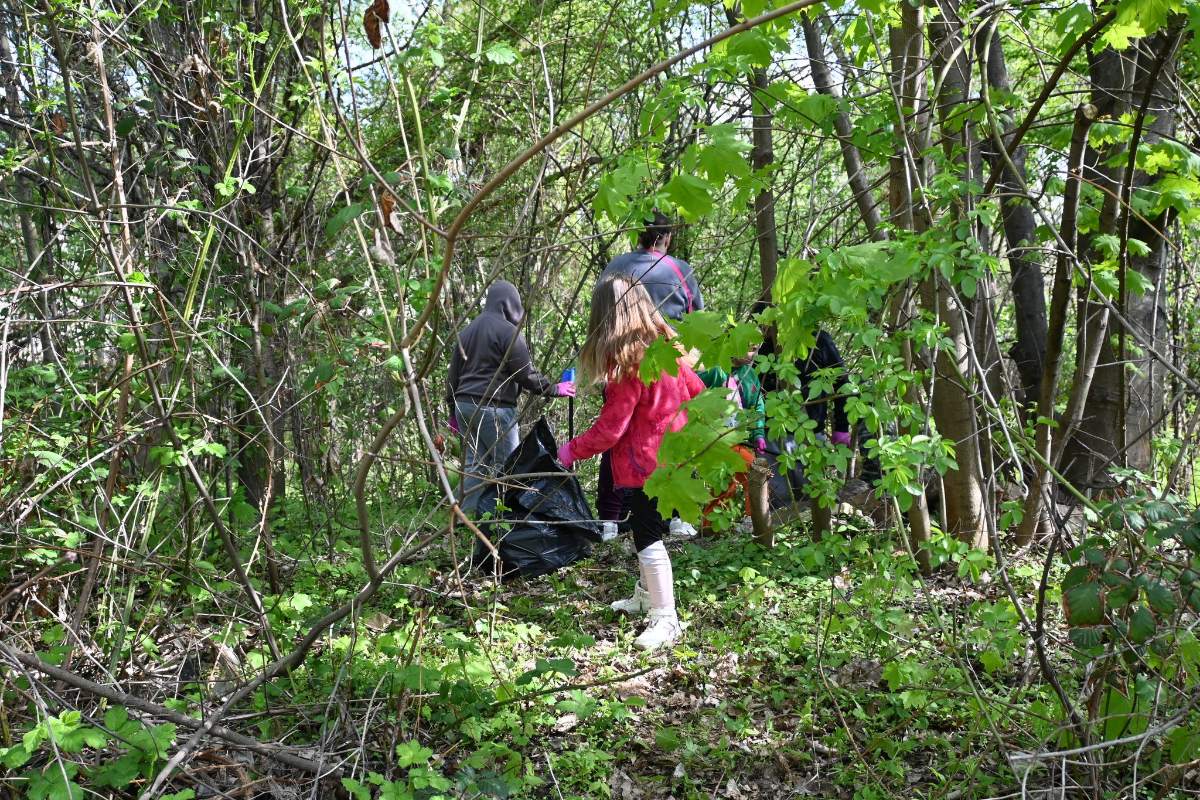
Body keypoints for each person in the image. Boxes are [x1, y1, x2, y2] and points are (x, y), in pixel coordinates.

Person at [556, 275, 704, 651]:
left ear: (605, 318)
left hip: (645, 467)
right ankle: (644, 595)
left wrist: (571, 450)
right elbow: (697, 391)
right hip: (673, 459)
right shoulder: (666, 351)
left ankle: (665, 617)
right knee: (644, 529)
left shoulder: (629, 365)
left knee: (648, 537)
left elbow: (610, 430)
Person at [596, 211, 705, 530]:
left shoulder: (615, 266)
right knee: (674, 433)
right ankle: (676, 517)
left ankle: (610, 519)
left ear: (638, 235)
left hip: (620, 362)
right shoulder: (679, 269)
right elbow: (696, 321)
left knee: (617, 432)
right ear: (667, 237)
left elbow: (601, 317)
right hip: (668, 365)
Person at [447, 280, 575, 518]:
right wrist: (555, 388)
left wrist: (452, 413)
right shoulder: (508, 333)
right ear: (510, 304)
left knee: (474, 466)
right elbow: (525, 374)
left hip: (464, 406)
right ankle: (504, 522)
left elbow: (452, 376)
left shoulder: (466, 331)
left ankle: (464, 519)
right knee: (508, 467)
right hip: (493, 409)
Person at [697, 347, 768, 530]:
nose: (754, 354)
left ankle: (712, 527)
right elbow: (691, 390)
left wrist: (758, 434)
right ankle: (752, 521)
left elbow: (757, 406)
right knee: (750, 471)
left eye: (756, 350)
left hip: (737, 437)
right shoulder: (714, 369)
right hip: (715, 437)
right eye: (750, 349)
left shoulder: (750, 374)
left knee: (731, 483)